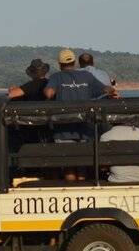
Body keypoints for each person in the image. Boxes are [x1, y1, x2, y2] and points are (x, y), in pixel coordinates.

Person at [45, 48, 118, 181]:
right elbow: (107, 89)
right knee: (83, 163)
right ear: (74, 62)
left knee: (69, 164)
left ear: (60, 64)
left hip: (63, 128)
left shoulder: (56, 76)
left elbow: (49, 93)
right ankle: (83, 189)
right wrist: (112, 90)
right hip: (86, 128)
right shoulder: (87, 76)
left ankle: (72, 192)